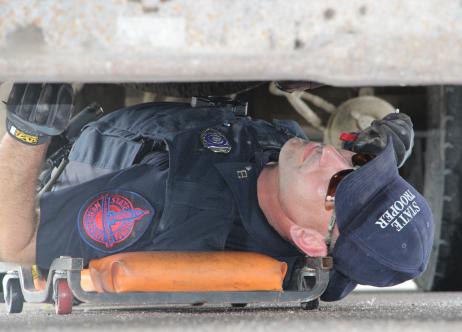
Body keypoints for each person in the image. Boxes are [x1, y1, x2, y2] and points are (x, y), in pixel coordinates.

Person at [0, 83, 434, 301]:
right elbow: (343, 272)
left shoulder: (170, 209)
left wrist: (26, 135)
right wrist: (378, 157)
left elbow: (14, 243)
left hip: (78, 152)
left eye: (340, 183)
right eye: (357, 165)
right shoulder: (316, 230)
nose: (330, 155)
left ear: (305, 238)